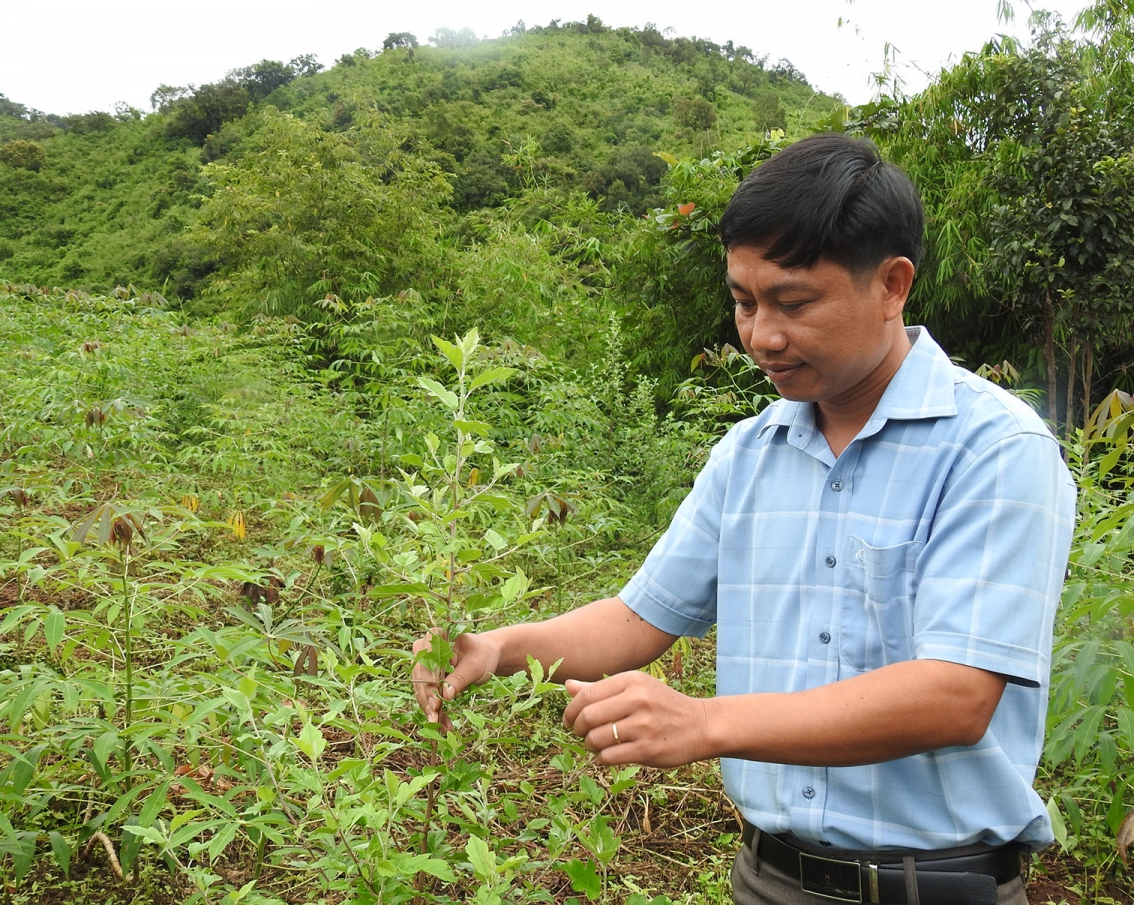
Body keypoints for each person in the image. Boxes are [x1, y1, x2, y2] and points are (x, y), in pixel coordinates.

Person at [413, 132, 1076, 905]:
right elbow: (639, 618)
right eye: (744, 301)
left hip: (933, 886)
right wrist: (500, 646)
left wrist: (706, 721)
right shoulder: (750, 453)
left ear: (892, 284)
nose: (762, 335)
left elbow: (956, 694)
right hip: (767, 878)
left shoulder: (994, 448)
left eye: (794, 302)